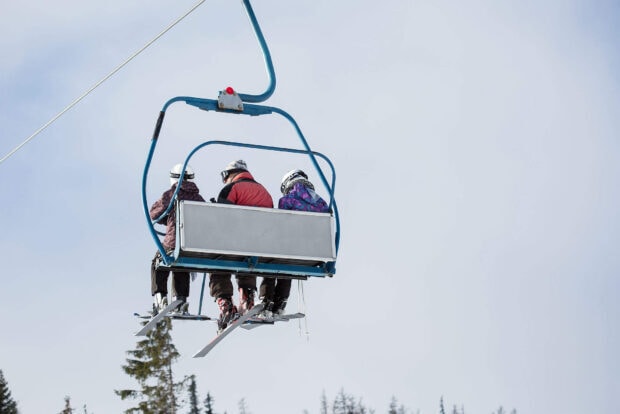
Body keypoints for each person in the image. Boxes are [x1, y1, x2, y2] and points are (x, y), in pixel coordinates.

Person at [210, 160, 274, 331]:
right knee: (248, 261)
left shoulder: (232, 188)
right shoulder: (264, 191)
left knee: (216, 263)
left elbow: (223, 217)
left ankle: (225, 304)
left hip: (234, 241)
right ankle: (247, 298)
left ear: (230, 173)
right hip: (258, 245)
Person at [259, 169, 331, 317]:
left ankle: (267, 300)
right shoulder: (320, 201)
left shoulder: (287, 200)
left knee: (272, 263)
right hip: (315, 247)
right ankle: (281, 302)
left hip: (291, 244)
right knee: (288, 267)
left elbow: (282, 224)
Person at [149, 163, 205, 316]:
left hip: (173, 242)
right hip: (191, 245)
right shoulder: (199, 198)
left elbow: (153, 214)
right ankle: (180, 300)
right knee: (181, 264)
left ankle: (160, 297)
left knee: (158, 262)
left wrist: (167, 218)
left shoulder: (171, 194)